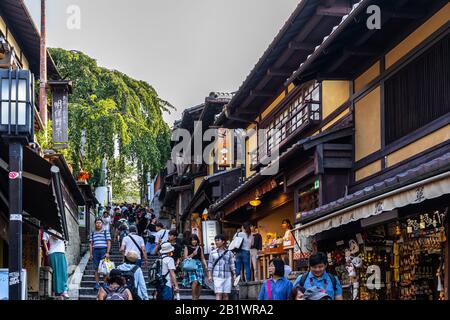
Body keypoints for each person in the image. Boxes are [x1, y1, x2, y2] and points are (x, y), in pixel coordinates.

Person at [207, 234, 236, 300]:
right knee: (218, 293)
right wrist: (209, 275)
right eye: (215, 240)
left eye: (218, 240)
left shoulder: (229, 253)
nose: (216, 242)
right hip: (217, 276)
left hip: (227, 276)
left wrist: (234, 274)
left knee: (226, 294)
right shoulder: (212, 253)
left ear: (223, 241)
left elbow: (232, 265)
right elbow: (210, 265)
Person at [42, 229, 69, 299]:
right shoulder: (48, 231)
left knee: (64, 272)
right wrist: (47, 250)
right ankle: (58, 291)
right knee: (56, 273)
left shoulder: (62, 230)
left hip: (61, 253)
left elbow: (66, 242)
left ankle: (63, 290)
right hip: (54, 253)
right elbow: (49, 239)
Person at [182, 234, 208, 300]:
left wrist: (205, 265)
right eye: (192, 240)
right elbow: (185, 257)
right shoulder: (187, 247)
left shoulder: (200, 247)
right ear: (190, 241)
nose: (194, 241)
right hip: (191, 265)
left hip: (199, 265)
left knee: (200, 283)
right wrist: (193, 254)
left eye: (195, 240)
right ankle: (193, 298)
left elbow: (202, 258)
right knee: (195, 281)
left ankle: (197, 298)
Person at [89, 218, 112, 290]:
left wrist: (108, 252)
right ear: (95, 224)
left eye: (100, 223)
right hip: (95, 251)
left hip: (104, 250)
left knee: (105, 268)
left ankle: (105, 283)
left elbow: (109, 242)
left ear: (102, 224)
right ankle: (97, 284)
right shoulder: (92, 232)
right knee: (96, 268)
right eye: (97, 223)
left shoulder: (106, 231)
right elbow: (91, 244)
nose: (98, 224)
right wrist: (91, 254)